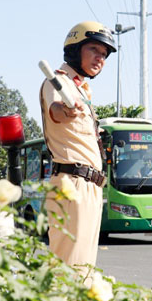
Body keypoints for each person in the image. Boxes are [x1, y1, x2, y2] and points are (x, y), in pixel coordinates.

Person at [39, 21, 116, 275]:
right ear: (75, 49)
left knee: (84, 269)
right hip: (73, 184)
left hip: (89, 186)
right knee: (70, 270)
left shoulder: (81, 89)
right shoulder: (57, 83)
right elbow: (57, 111)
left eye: (104, 55)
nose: (100, 58)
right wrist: (67, 110)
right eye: (94, 49)